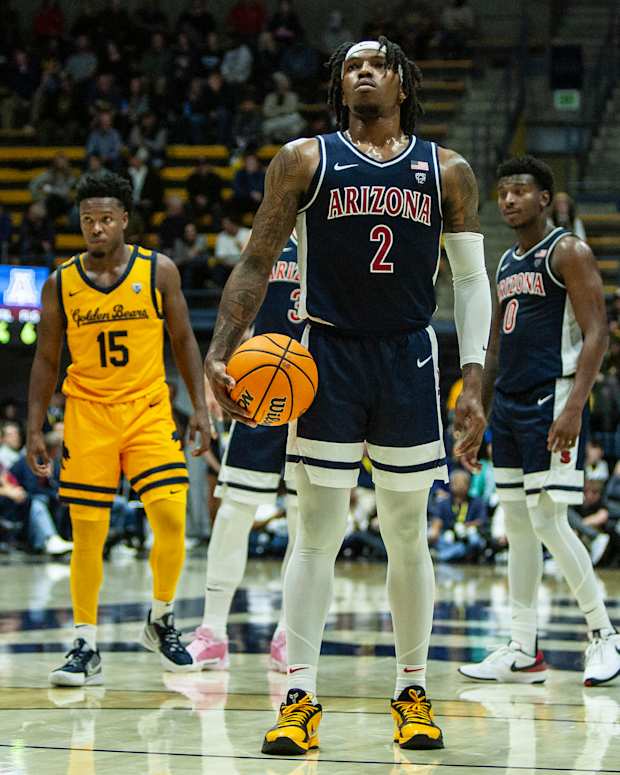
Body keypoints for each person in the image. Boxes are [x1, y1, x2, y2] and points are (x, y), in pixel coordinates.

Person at [205, 37, 491, 755]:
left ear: (403, 83)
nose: (364, 71)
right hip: (324, 355)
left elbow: (470, 281)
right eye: (352, 66)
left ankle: (412, 690)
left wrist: (474, 376)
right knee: (316, 530)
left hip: (407, 357)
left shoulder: (446, 170)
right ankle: (298, 697)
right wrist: (221, 347)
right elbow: (256, 260)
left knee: (406, 531)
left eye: (378, 63)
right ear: (338, 86)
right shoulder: (304, 159)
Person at [26, 171, 212, 687]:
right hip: (88, 415)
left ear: (125, 219)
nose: (96, 227)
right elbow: (45, 359)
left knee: (170, 517)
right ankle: (85, 644)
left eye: (106, 218)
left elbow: (184, 340)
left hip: (148, 410)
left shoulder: (158, 271)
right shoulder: (60, 282)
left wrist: (199, 407)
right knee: (88, 532)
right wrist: (36, 427)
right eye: (88, 219)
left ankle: (161, 618)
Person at [458, 156, 619, 688]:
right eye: (503, 192)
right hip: (508, 403)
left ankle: (604, 634)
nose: (508, 199)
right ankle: (523, 649)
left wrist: (574, 406)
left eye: (520, 191)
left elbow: (598, 333)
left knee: (549, 521)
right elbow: (496, 344)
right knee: (518, 527)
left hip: (554, 397)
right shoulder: (506, 261)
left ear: (544, 198)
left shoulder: (567, 251)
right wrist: (479, 406)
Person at [187, 234, 301, 672]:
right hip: (261, 389)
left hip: (318, 391)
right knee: (234, 509)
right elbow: (241, 309)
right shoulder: (270, 241)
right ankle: (212, 632)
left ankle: (292, 632)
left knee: (307, 521)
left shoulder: (339, 228)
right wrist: (219, 364)